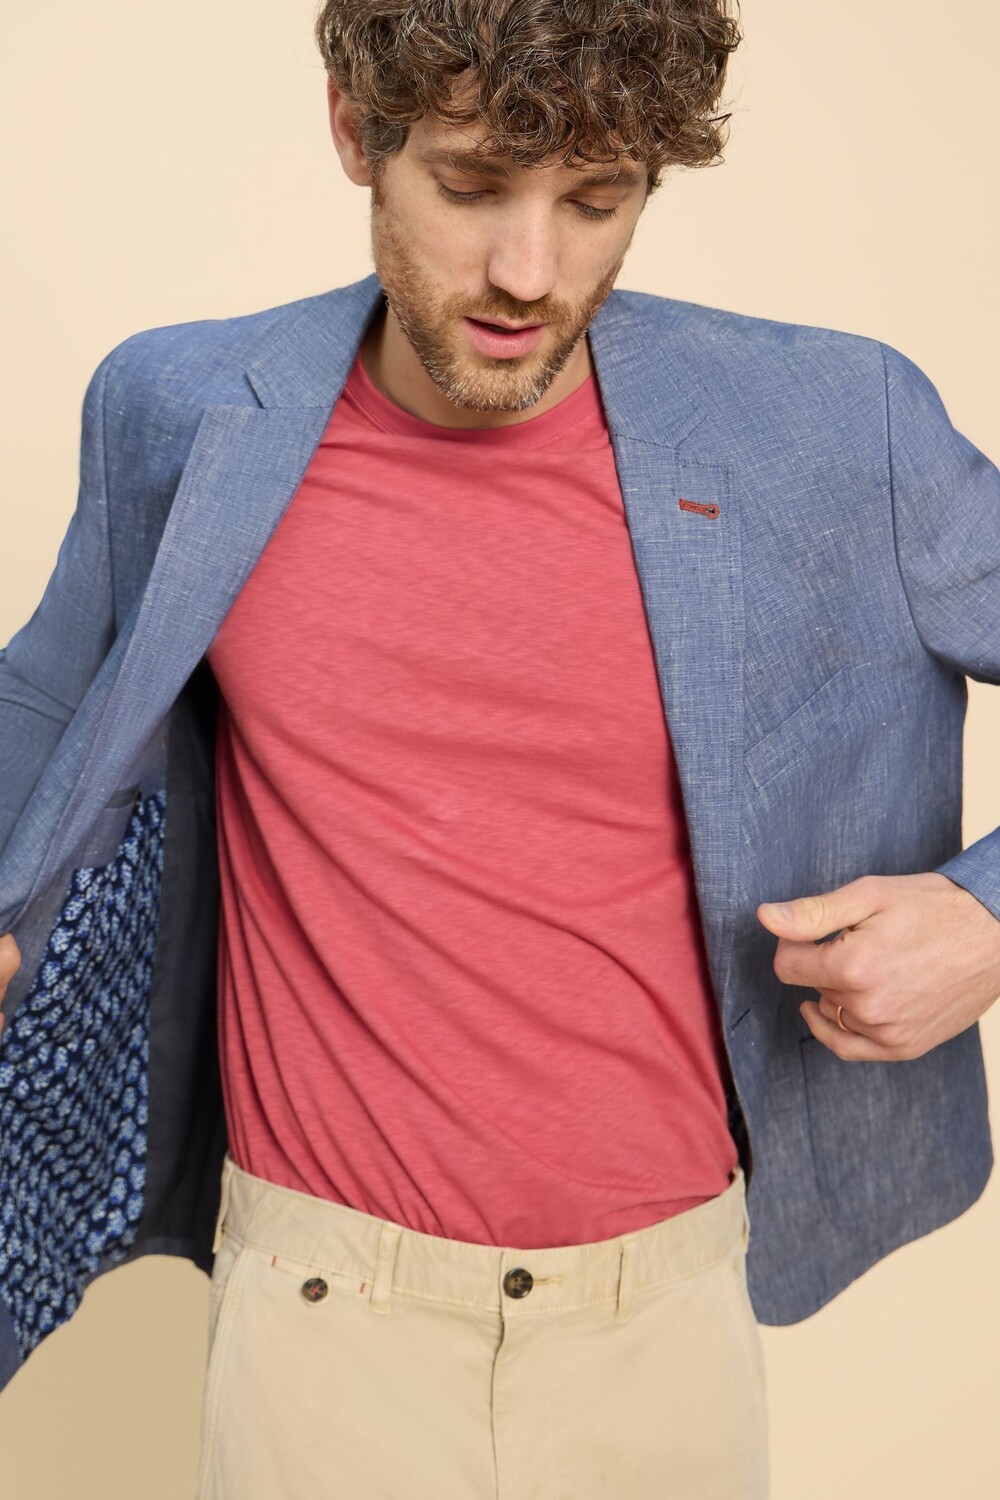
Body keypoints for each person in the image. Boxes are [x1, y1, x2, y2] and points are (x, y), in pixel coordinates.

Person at [0, 2, 997, 1495]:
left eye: (597, 202)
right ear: (356, 132)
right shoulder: (182, 410)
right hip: (315, 1317)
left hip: (665, 1318)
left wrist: (987, 915)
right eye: (471, 188)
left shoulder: (837, 425)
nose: (530, 273)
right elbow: (46, 691)